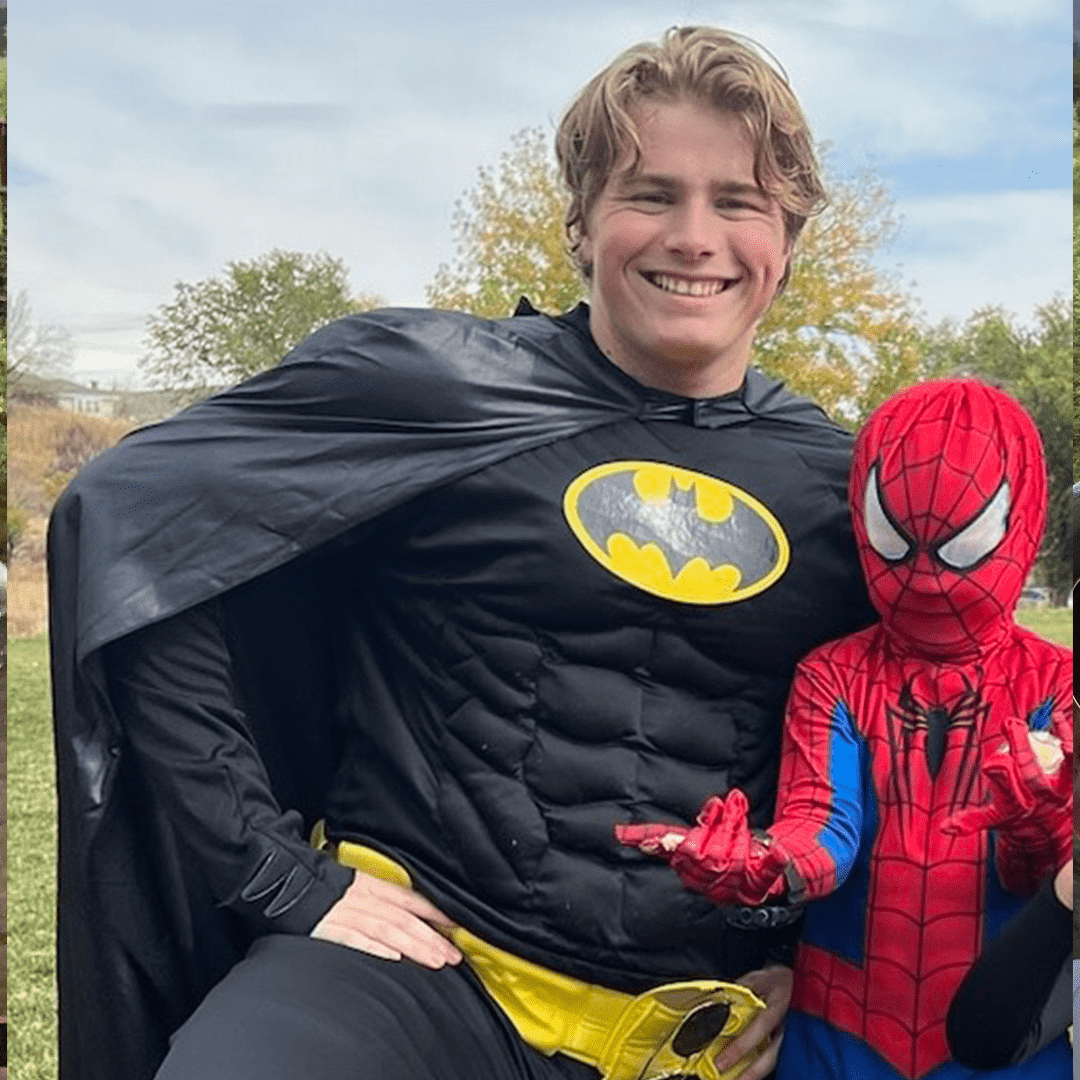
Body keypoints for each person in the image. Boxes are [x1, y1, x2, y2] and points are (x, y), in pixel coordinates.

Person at [49, 26, 875, 1080]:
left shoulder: (848, 490)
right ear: (581, 222)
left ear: (789, 242)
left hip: (697, 1034)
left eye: (739, 202)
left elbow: (908, 753)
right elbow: (140, 529)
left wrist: (827, 967)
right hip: (406, 981)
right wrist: (272, 871)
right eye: (651, 194)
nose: (694, 236)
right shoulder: (432, 389)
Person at [617, 379, 1074, 1078]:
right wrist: (762, 863)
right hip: (837, 1024)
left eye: (958, 547)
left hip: (1008, 1030)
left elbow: (1043, 883)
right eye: (898, 543)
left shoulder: (1055, 681)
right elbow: (827, 830)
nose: (926, 576)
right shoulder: (835, 673)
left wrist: (1039, 826)